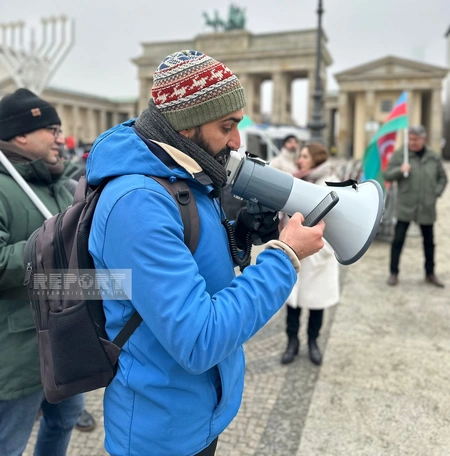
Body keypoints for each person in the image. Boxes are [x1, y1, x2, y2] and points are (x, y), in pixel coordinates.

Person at [87, 50, 326, 456]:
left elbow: (199, 266)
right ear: (185, 124)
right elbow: (198, 339)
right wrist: (284, 256)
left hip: (195, 411)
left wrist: (242, 232)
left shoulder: (187, 176)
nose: (237, 141)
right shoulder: (137, 203)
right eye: (227, 126)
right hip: (159, 431)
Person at [0, 88, 93, 456]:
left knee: (64, 419)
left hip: (65, 342)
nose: (60, 138)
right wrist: (47, 248)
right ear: (20, 135)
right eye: (52, 130)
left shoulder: (58, 184)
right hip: (17, 354)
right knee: (9, 443)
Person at [278, 142, 340, 366]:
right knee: (293, 302)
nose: (300, 160)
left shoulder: (330, 183)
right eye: (300, 156)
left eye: (305, 156)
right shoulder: (297, 179)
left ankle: (313, 342)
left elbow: (336, 222)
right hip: (297, 250)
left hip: (318, 252)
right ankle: (292, 342)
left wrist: (323, 250)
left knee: (316, 302)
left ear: (316, 158)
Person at [384, 124, 447, 287]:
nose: (413, 142)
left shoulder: (433, 156)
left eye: (416, 139)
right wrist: (400, 170)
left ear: (423, 139)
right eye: (410, 139)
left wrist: (435, 193)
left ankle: (430, 273)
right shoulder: (401, 155)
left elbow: (442, 178)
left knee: (429, 242)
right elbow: (387, 175)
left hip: (426, 207)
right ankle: (393, 272)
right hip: (405, 206)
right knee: (398, 240)